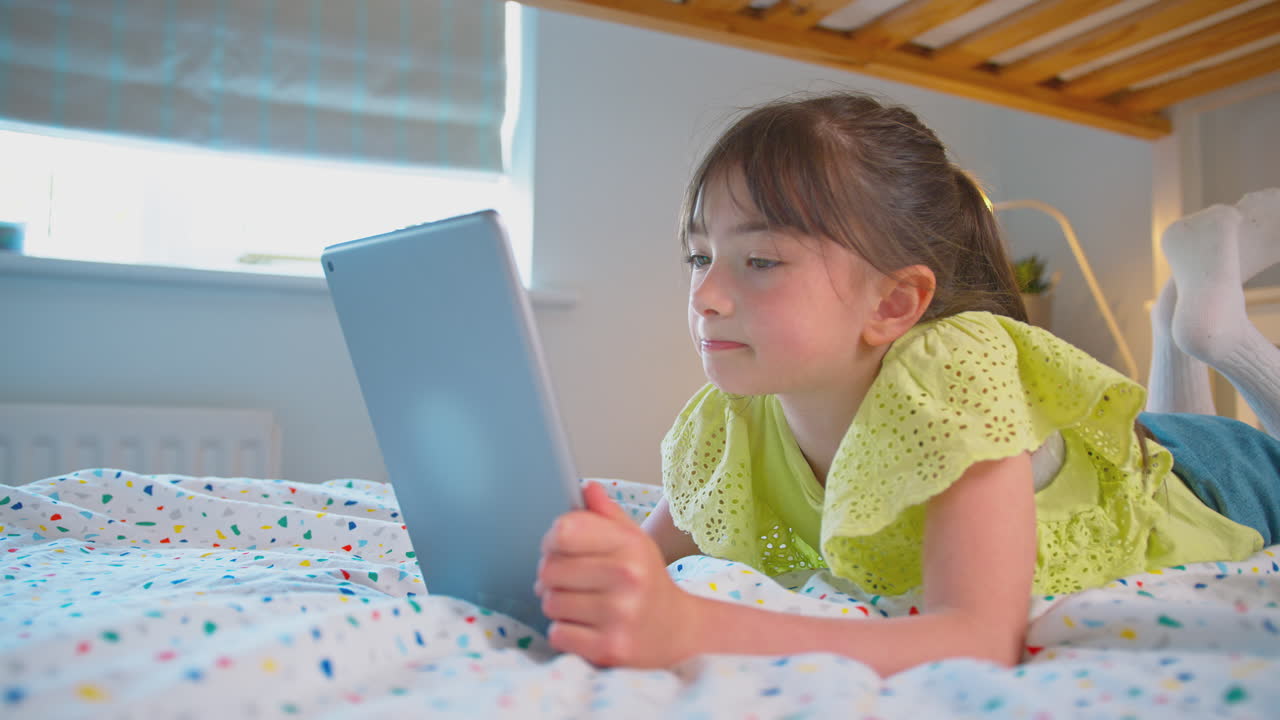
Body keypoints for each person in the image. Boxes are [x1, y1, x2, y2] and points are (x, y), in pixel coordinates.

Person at [533, 91, 1280, 677]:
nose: (705, 295)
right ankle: (1187, 322)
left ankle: (1209, 331)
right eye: (700, 257)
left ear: (893, 304)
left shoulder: (951, 370)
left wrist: (689, 627)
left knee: (1198, 445)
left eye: (759, 261)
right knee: (1152, 437)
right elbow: (658, 550)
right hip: (1147, 458)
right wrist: (594, 565)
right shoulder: (734, 413)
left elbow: (980, 638)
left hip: (1220, 479)